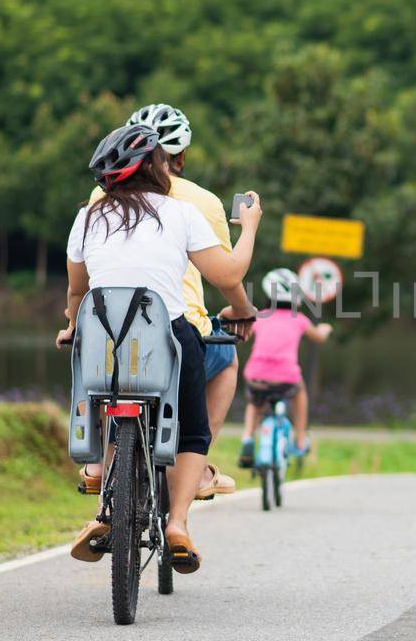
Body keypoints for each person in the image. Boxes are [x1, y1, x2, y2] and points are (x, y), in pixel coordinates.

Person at [58, 123, 261, 574]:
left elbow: (77, 292)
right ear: (157, 167)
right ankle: (179, 525)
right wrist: (249, 227)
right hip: (167, 340)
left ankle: (97, 481)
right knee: (192, 431)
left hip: (102, 344)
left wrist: (72, 325)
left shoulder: (87, 218)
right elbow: (227, 276)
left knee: (95, 387)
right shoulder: (179, 213)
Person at [84, 103, 249, 499]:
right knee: (224, 360)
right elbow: (226, 276)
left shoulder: (96, 200)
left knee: (93, 366)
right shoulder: (194, 205)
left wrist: (72, 321)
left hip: (105, 330)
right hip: (173, 329)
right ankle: (197, 471)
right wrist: (243, 311)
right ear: (174, 158)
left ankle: (97, 464)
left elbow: (78, 284)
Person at [238, 268, 332, 465]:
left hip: (257, 375)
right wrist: (325, 329)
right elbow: (319, 337)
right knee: (300, 393)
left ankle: (247, 438)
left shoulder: (259, 317)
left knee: (255, 403)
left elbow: (243, 335)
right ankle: (299, 440)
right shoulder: (300, 320)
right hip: (286, 377)